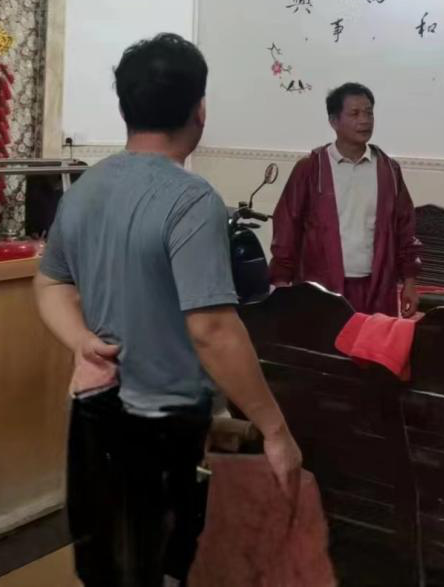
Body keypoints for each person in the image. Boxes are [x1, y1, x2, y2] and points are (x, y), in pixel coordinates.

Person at [34, 33, 302, 587]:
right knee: (160, 564)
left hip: (93, 408)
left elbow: (50, 282)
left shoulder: (85, 188)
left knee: (106, 565)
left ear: (125, 108)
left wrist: (81, 339)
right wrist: (275, 429)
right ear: (198, 110)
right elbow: (212, 329)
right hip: (162, 424)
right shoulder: (192, 199)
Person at [270, 82, 422, 316]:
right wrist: (281, 281)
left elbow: (405, 228)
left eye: (369, 113)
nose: (365, 120)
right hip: (321, 287)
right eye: (355, 113)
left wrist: (410, 281)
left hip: (376, 287)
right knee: (323, 338)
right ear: (334, 121)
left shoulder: (388, 170)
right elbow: (287, 226)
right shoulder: (311, 168)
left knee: (372, 339)